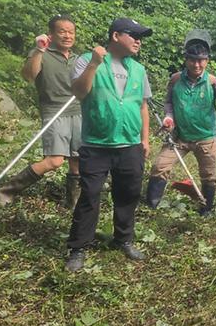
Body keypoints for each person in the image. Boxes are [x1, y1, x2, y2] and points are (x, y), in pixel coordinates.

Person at [64, 18, 153, 272]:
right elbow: (79, 92)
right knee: (90, 195)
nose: (138, 41)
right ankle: (78, 247)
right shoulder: (86, 60)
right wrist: (94, 63)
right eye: (133, 35)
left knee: (128, 194)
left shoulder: (138, 69)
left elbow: (142, 105)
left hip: (130, 144)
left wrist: (144, 139)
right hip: (96, 144)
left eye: (140, 37)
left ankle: (123, 239)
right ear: (116, 36)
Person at [145, 30, 216, 216]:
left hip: (206, 138)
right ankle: (151, 206)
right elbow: (169, 102)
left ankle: (206, 209)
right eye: (192, 60)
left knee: (208, 176)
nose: (196, 64)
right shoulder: (176, 79)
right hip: (179, 136)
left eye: (201, 60)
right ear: (186, 60)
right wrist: (168, 117)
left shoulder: (213, 82)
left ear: (207, 61)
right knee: (159, 167)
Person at [0, 15, 82, 208]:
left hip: (79, 111)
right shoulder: (41, 53)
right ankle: (6, 191)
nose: (67, 35)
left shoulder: (78, 59)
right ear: (51, 34)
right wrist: (40, 49)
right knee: (55, 161)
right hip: (54, 111)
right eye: (62, 31)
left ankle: (73, 204)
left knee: (78, 158)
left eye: (71, 32)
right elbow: (29, 75)